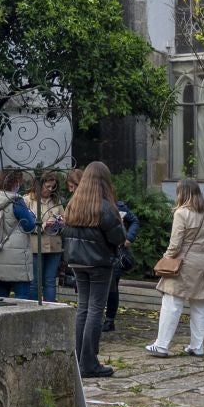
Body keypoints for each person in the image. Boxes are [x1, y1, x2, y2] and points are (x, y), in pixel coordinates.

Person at [62, 160, 127, 377]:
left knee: (83, 308)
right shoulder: (104, 207)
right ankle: (88, 362)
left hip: (77, 262)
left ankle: (80, 358)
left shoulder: (74, 203)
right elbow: (118, 237)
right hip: (99, 262)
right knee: (96, 309)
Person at [145, 178, 204, 357]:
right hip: (203, 263)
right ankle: (197, 346)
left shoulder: (181, 213)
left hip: (183, 263)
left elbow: (175, 244)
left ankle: (162, 345)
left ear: (183, 193)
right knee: (199, 306)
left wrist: (166, 259)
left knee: (172, 304)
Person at [0, 168, 38, 299]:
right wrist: (33, 216)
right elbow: (29, 225)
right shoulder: (16, 201)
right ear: (15, 183)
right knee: (22, 298)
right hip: (17, 259)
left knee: (1, 296)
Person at [102, 191, 139, 331]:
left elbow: (134, 220)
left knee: (112, 287)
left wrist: (129, 237)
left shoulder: (118, 206)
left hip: (117, 252)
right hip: (101, 252)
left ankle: (109, 320)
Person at [28, 169, 67, 303]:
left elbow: (65, 219)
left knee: (50, 281)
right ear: (39, 184)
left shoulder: (56, 201)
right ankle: (32, 311)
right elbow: (23, 225)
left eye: (53, 186)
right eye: (47, 186)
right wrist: (43, 224)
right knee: (35, 281)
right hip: (34, 246)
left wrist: (60, 222)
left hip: (54, 246)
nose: (50, 189)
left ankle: (50, 309)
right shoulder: (28, 199)